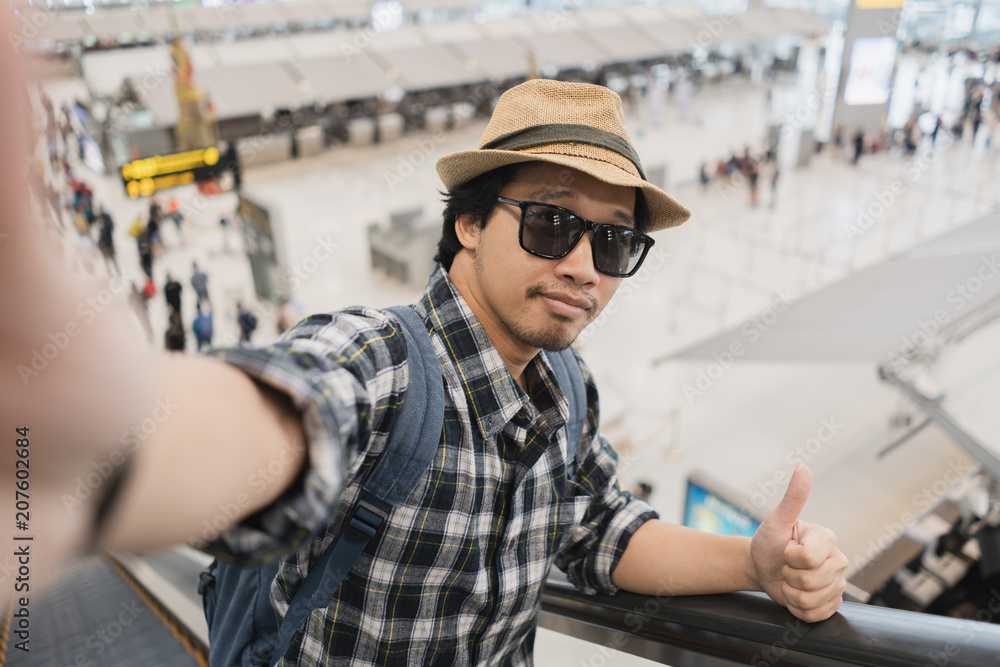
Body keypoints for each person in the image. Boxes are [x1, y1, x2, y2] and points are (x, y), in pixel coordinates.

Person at [0, 75, 847, 666]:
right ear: (470, 223)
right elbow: (285, 416)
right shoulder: (384, 366)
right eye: (552, 223)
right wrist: (87, 445)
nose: (587, 265)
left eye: (616, 240)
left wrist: (754, 564)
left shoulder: (568, 389)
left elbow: (598, 529)